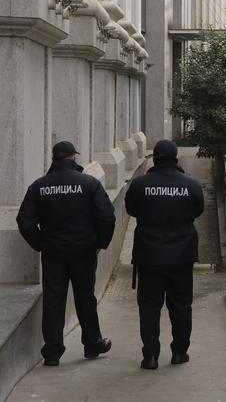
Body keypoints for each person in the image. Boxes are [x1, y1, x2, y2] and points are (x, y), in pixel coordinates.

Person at [17, 141, 116, 366]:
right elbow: (107, 216)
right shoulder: (89, 183)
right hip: (83, 251)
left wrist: (40, 243)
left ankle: (52, 351)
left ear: (54, 158)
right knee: (85, 298)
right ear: (73, 158)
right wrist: (101, 242)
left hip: (53, 252)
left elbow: (25, 221)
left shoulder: (39, 187)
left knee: (53, 299)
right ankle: (92, 343)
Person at [125, 140, 204, 370]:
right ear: (175, 157)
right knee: (181, 306)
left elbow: (131, 209)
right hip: (181, 255)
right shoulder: (191, 185)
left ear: (154, 158)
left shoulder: (140, 185)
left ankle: (150, 356)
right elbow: (198, 210)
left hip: (148, 255)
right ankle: (179, 352)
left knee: (149, 306)